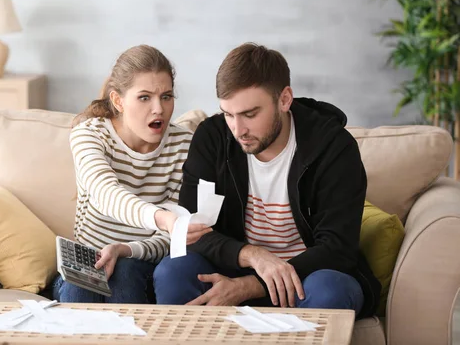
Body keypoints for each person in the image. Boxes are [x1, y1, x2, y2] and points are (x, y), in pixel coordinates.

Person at [153, 43, 380, 319]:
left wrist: (250, 286)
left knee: (331, 289)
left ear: (284, 100)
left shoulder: (333, 147)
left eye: (250, 114)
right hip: (235, 267)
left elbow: (337, 249)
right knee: (172, 271)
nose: (238, 129)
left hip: (308, 278)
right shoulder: (212, 138)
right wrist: (252, 256)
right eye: (228, 114)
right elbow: (191, 231)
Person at [52, 44, 211, 304]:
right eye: (145, 97)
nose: (158, 109)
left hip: (140, 263)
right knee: (80, 288)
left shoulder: (184, 146)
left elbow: (168, 239)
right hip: (86, 262)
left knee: (125, 271)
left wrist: (126, 249)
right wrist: (162, 218)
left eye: (167, 97)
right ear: (118, 101)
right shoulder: (89, 135)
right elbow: (106, 194)